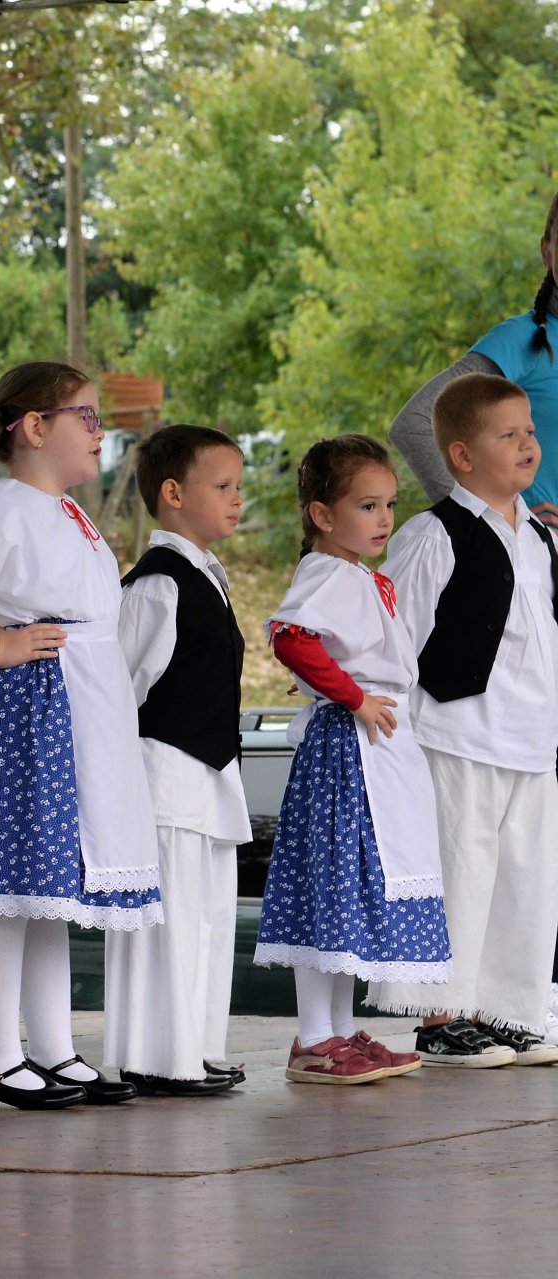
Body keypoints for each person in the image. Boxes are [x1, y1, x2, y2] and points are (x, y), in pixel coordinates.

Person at [0, 361, 154, 1112]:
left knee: (48, 889)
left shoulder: (63, 510)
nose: (98, 429)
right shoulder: (2, 505)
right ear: (35, 427)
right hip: (26, 707)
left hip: (75, 705)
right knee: (6, 890)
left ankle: (51, 1047)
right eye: (84, 415)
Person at [368, 375, 558, 1067]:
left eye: (529, 431)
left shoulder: (540, 535)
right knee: (460, 872)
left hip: (532, 739)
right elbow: (396, 635)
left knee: (525, 880)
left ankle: (505, 1009)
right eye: (507, 435)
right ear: (461, 454)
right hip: (457, 733)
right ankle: (441, 1017)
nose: (527, 444)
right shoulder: (433, 535)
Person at [253, 434, 447, 1084]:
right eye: (368, 505)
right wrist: (353, 694)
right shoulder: (328, 573)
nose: (385, 518)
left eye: (390, 503)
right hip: (346, 751)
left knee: (350, 891)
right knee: (330, 886)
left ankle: (335, 1030)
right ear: (323, 515)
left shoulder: (359, 576)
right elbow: (291, 637)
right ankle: (315, 1036)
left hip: (374, 746)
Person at [104, 424, 250, 1098]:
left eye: (238, 487)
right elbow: (118, 691)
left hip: (208, 777)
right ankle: (155, 1053)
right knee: (168, 921)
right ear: (172, 493)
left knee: (208, 918)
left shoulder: (203, 577)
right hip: (163, 778)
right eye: (222, 487)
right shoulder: (156, 586)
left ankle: (193, 1045)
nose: (237, 499)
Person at [391, 193, 558, 523]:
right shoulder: (521, 340)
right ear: (547, 251)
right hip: (539, 564)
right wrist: (483, 523)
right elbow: (414, 425)